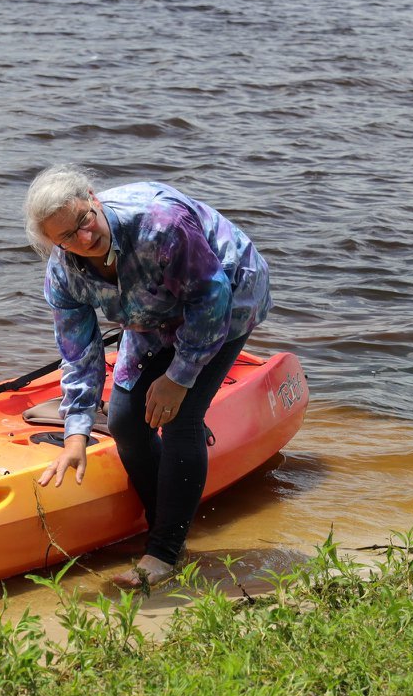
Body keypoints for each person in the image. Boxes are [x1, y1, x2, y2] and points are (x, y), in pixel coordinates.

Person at [25, 167, 271, 592]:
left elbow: (211, 299)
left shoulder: (162, 223)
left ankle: (164, 552)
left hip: (226, 297)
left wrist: (179, 378)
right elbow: (79, 354)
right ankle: (167, 525)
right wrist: (76, 434)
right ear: (53, 243)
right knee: (124, 421)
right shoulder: (63, 273)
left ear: (92, 197)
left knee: (180, 416)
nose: (83, 239)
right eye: (66, 237)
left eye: (84, 220)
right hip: (148, 316)